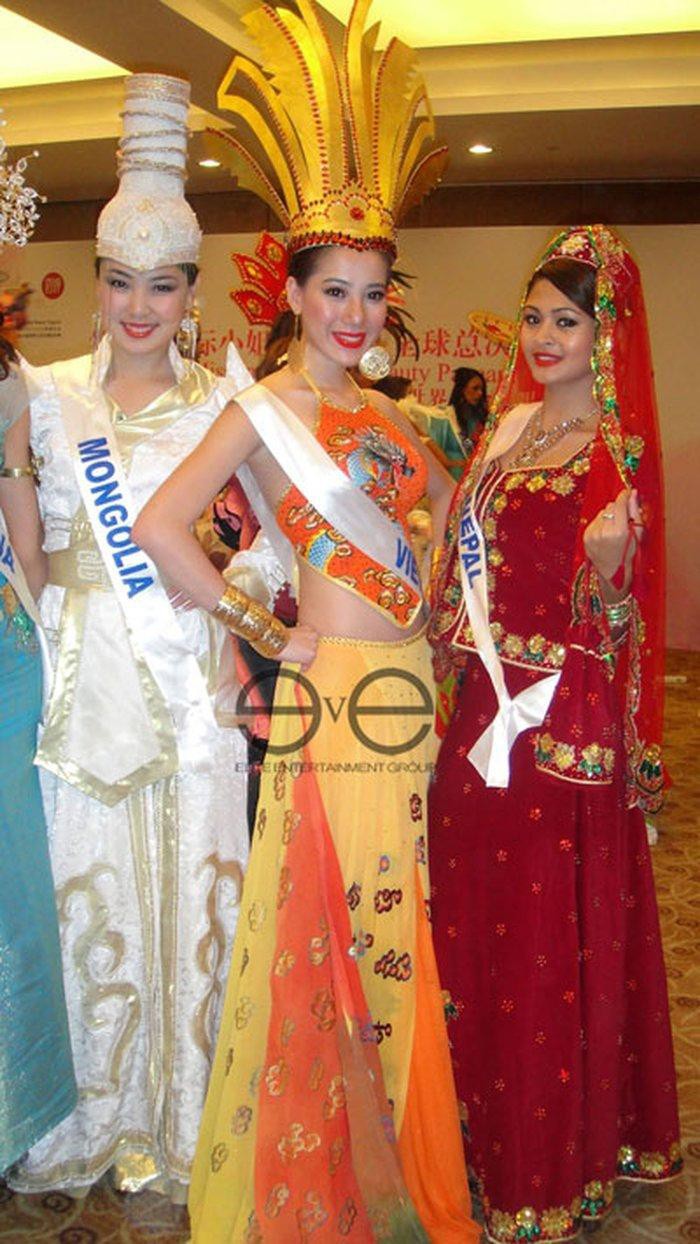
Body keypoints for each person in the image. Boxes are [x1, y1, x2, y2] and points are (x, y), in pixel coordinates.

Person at [134, 3, 479, 1238]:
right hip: (336, 695)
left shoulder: (391, 414)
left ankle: (390, 1155)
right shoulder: (263, 409)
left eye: (374, 294)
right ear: (292, 289)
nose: (356, 315)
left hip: (406, 688)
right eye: (335, 291)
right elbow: (162, 524)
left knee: (399, 923)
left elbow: (450, 508)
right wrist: (266, 626)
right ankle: (326, 1176)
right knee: (337, 926)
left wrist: (433, 566)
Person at [7, 75, 250, 1199]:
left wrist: (233, 602)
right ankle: (90, 1111)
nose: (138, 306)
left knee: (196, 882)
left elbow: (275, 548)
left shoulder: (225, 401)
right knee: (86, 885)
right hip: (78, 677)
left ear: (191, 291)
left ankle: (186, 1108)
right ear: (96, 281)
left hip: (187, 669)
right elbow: (25, 543)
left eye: (162, 285)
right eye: (119, 281)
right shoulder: (42, 391)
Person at [428, 224, 681, 1242]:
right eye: (533, 317)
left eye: (566, 321)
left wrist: (609, 571)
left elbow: (624, 622)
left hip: (554, 733)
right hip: (475, 720)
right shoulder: (508, 429)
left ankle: (542, 1161)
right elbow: (458, 570)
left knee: (539, 937)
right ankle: (460, 1140)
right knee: (465, 919)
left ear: (604, 334)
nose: (542, 336)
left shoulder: (617, 455)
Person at [0, 117, 78, 1168]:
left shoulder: (9, 376)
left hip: (4, 653)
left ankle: (17, 1103)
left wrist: (51, 629)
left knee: (12, 880)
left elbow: (24, 522)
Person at [448, 365, 489, 455]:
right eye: (475, 388)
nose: (480, 393)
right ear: (462, 389)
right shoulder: (448, 417)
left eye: (482, 389)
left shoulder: (483, 418)